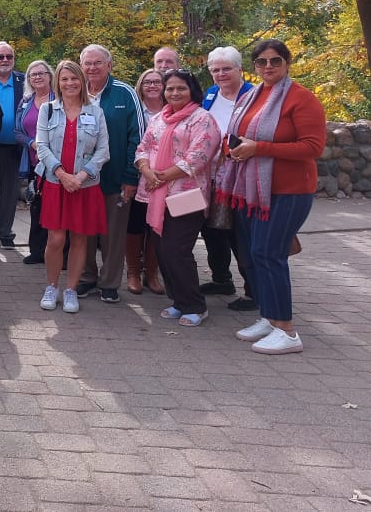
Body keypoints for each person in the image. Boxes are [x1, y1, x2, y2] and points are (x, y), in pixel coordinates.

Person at [218, 40, 326, 355]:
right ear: (254, 66)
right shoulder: (254, 95)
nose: (268, 67)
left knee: (269, 254)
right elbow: (236, 132)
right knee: (255, 254)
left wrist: (258, 148)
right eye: (262, 62)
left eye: (275, 61)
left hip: (288, 192)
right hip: (254, 190)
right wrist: (234, 148)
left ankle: (287, 331)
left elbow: (312, 147)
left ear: (287, 63)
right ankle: (269, 317)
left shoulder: (301, 99)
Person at [134, 68, 220, 327]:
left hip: (187, 194)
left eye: (180, 88)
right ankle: (178, 301)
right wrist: (148, 171)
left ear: (192, 90)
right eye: (169, 88)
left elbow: (199, 156)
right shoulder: (160, 118)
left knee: (177, 250)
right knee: (162, 249)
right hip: (156, 193)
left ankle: (195, 305)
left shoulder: (203, 119)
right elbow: (144, 147)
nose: (174, 93)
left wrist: (161, 176)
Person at [35, 60, 110, 314]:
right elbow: (41, 145)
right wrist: (62, 174)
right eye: (64, 79)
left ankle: (71, 290)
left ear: (82, 81)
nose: (69, 84)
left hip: (85, 186)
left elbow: (103, 151)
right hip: (57, 184)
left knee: (80, 239)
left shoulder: (96, 112)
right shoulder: (47, 110)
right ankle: (51, 286)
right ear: (57, 82)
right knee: (55, 239)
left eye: (74, 79)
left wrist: (80, 176)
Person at [76, 44, 144, 304]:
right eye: (87, 63)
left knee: (113, 234)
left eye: (97, 63)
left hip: (115, 177)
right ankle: (86, 277)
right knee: (84, 231)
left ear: (109, 65)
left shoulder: (124, 93)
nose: (91, 68)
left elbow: (137, 137)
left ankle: (110, 282)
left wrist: (130, 177)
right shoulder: (76, 91)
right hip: (82, 179)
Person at [200, 45, 256, 310]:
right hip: (211, 176)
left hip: (240, 177)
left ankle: (254, 290)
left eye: (226, 69)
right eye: (215, 70)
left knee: (239, 233)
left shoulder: (254, 96)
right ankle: (222, 278)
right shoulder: (211, 95)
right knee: (212, 230)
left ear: (239, 69)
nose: (221, 74)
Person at [125, 68, 167, 295]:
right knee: (135, 224)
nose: (152, 86)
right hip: (138, 174)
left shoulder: (172, 110)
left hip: (165, 178)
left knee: (156, 226)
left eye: (157, 82)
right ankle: (132, 271)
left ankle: (151, 273)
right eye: (147, 82)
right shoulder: (135, 109)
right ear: (140, 85)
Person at [0, 41, 25, 249]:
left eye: (9, 56)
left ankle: (4, 232)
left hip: (13, 146)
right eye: (0, 57)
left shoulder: (23, 80)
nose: (4, 60)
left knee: (10, 191)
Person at [15, 59, 54, 265]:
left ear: (50, 76)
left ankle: (58, 253)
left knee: (55, 207)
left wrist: (47, 148)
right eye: (33, 74)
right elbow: (17, 132)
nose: (37, 77)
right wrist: (32, 144)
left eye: (41, 73)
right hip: (33, 163)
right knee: (36, 206)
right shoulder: (25, 102)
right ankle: (37, 251)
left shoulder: (61, 99)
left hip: (56, 163)